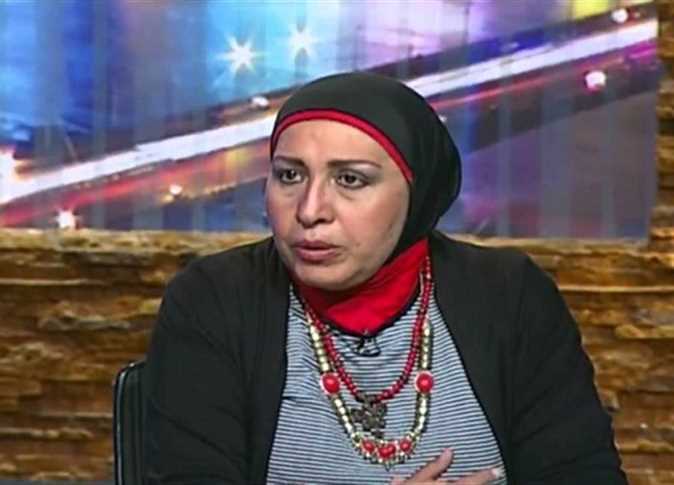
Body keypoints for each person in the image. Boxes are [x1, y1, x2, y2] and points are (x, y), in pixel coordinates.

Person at [143, 72, 627, 484]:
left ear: (417, 191)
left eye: (350, 179)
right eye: (290, 175)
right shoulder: (214, 300)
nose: (310, 211)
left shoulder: (509, 296)